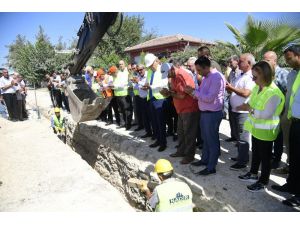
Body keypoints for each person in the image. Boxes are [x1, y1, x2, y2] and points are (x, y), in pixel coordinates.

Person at [238, 61, 285, 192]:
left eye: (255, 77)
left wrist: (249, 108)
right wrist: (248, 106)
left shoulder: (273, 92)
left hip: (267, 131)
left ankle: (263, 181)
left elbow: (265, 114)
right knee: (256, 154)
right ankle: (253, 174)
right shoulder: (257, 87)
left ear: (264, 75)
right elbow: (250, 102)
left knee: (265, 158)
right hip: (257, 129)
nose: (253, 80)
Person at [185, 56, 225, 175]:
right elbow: (201, 94)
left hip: (212, 114)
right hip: (205, 113)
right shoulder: (207, 77)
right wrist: (193, 92)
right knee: (206, 139)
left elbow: (209, 98)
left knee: (212, 140)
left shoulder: (216, 77)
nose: (198, 72)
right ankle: (205, 160)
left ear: (206, 67)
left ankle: (211, 166)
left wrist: (192, 92)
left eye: (199, 70)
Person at [272, 44, 300, 207]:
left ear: (298, 55)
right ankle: (292, 185)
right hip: (293, 121)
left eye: (289, 59)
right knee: (294, 157)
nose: (287, 62)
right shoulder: (292, 75)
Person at [161, 62, 199, 165]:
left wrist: (170, 93)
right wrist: (168, 92)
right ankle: (181, 151)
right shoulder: (173, 77)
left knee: (189, 134)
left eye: (168, 74)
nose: (168, 77)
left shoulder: (183, 75)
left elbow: (182, 95)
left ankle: (190, 156)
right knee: (181, 132)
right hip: (180, 109)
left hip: (189, 109)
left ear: (172, 69)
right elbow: (175, 91)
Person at [226, 53, 256, 170]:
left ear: (248, 63)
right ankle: (241, 156)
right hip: (235, 110)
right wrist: (230, 89)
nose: (238, 63)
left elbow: (246, 93)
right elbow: (237, 91)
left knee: (243, 137)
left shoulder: (251, 77)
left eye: (241, 61)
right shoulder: (241, 75)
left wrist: (231, 88)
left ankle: (242, 161)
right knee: (239, 136)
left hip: (243, 112)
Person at [263, 51, 289, 169]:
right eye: (264, 59)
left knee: (278, 137)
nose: (265, 62)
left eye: (267, 60)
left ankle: (276, 159)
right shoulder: (266, 73)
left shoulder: (283, 73)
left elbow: (287, 92)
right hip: (267, 111)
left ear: (274, 61)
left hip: (279, 112)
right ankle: (268, 156)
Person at [144, 53, 168, 152]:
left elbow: (164, 83)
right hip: (151, 99)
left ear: (155, 61)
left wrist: (151, 86)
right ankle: (158, 140)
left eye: (151, 65)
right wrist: (145, 85)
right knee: (154, 122)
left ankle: (163, 143)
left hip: (160, 99)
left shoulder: (162, 69)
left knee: (160, 122)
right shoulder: (149, 71)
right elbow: (147, 82)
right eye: (148, 66)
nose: (150, 67)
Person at [225, 55, 241, 143]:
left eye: (231, 62)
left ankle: (239, 139)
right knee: (232, 119)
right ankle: (233, 136)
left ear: (237, 61)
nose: (230, 64)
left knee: (238, 121)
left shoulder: (241, 72)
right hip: (231, 98)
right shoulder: (231, 72)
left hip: (239, 99)